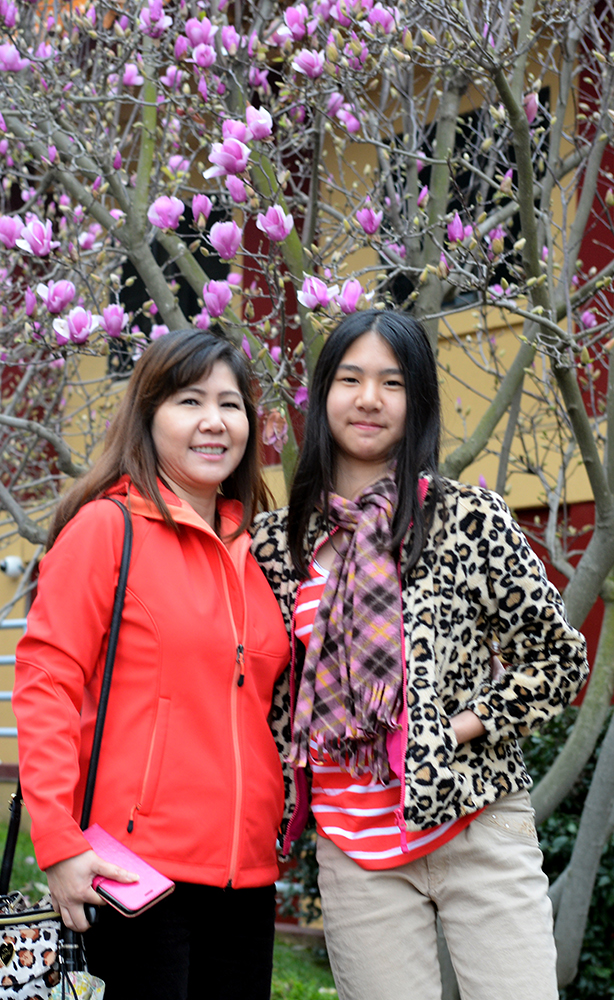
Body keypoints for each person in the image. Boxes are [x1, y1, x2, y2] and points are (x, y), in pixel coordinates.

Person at [252, 310, 589, 1000]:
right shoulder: (276, 543)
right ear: (322, 397)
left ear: (418, 403)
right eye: (350, 379)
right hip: (355, 850)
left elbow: (559, 661)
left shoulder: (467, 518)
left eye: (392, 383)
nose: (369, 399)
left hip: (478, 826)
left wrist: (453, 728)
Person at [13, 328, 291, 1000]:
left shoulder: (261, 553)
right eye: (189, 401)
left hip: (245, 877)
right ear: (149, 414)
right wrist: (58, 842)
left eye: (231, 404)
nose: (213, 422)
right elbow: (46, 682)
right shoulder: (108, 530)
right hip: (133, 871)